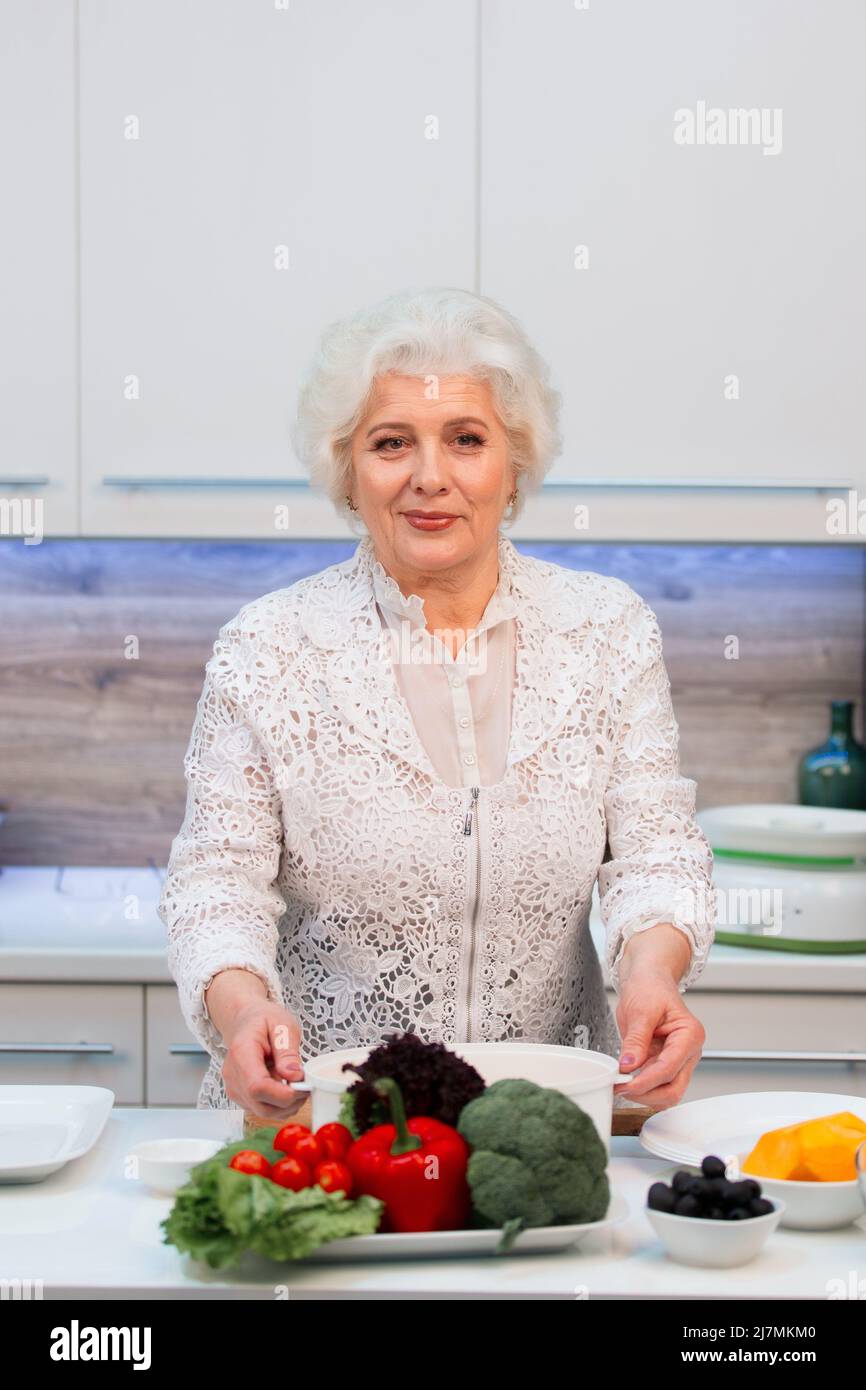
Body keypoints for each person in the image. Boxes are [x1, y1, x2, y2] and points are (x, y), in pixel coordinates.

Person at [158, 285, 716, 1120]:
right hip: (329, 1124)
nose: (430, 478)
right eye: (391, 443)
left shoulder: (608, 630)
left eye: (465, 440)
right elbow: (216, 886)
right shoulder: (269, 648)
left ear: (513, 463)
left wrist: (650, 972)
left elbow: (655, 854)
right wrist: (243, 1010)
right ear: (348, 471)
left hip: (546, 1120)